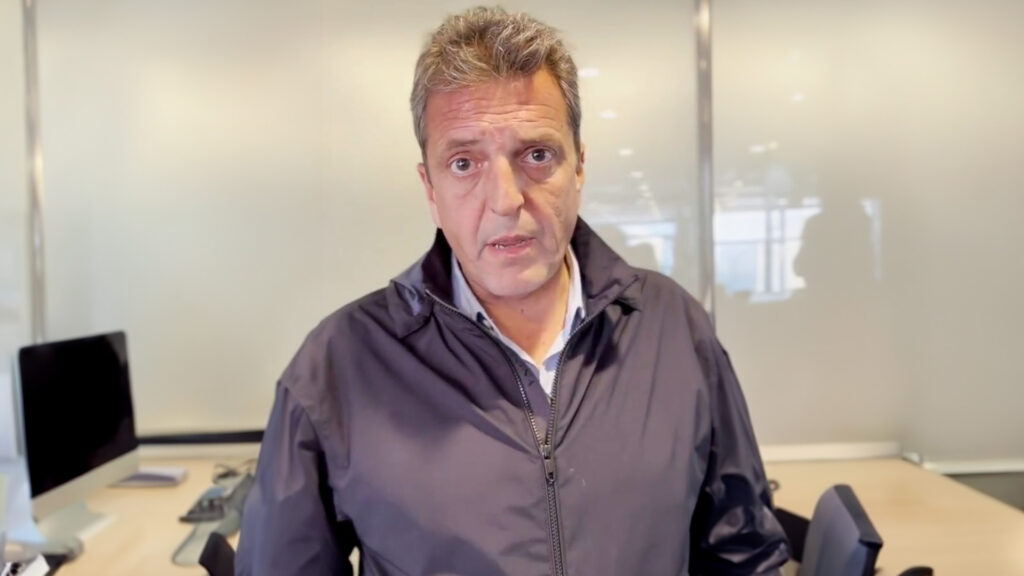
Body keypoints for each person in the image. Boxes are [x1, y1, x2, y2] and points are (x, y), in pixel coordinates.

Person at [236, 6, 788, 575]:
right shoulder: (339, 365)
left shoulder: (673, 328)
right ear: (430, 188)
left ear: (579, 167)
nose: (505, 200)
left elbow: (743, 554)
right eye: (464, 163)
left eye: (537, 155)